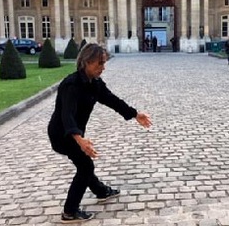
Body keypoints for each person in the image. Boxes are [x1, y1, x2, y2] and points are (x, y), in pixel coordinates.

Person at [47, 43, 152, 223]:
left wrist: (135, 114)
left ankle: (101, 191)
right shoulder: (71, 84)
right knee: (85, 166)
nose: (103, 68)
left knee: (84, 164)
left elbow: (112, 100)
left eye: (104, 64)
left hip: (75, 134)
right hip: (62, 134)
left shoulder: (94, 83)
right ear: (87, 62)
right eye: (99, 64)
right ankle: (69, 212)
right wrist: (79, 139)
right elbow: (67, 116)